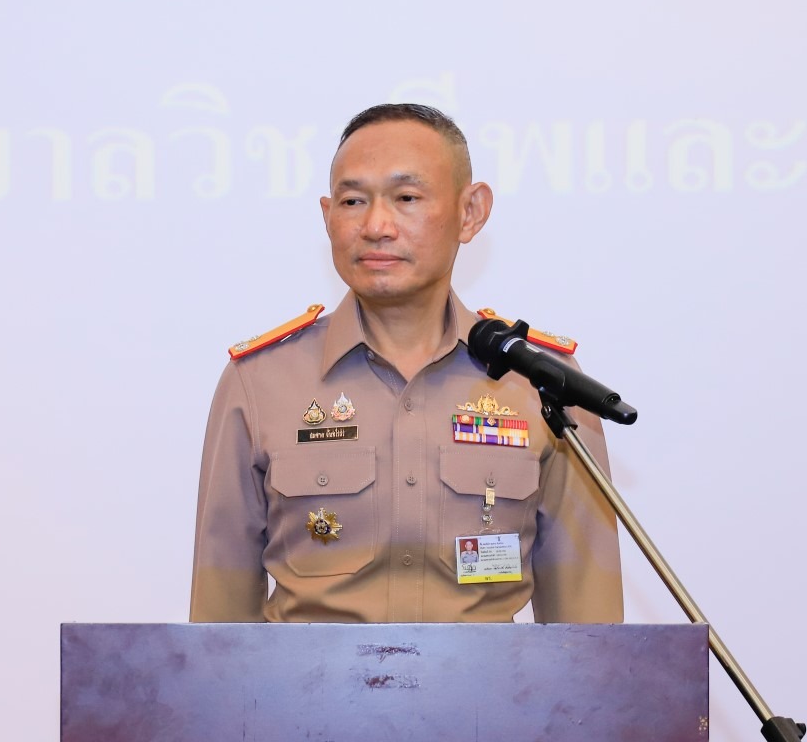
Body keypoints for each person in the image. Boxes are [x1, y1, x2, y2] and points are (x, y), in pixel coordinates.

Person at [189, 103, 622, 624]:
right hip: (311, 681)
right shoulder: (260, 383)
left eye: (406, 198)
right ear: (327, 216)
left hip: (487, 682)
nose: (376, 226)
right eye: (353, 201)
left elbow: (588, 636)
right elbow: (218, 632)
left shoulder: (539, 384)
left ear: (470, 212)